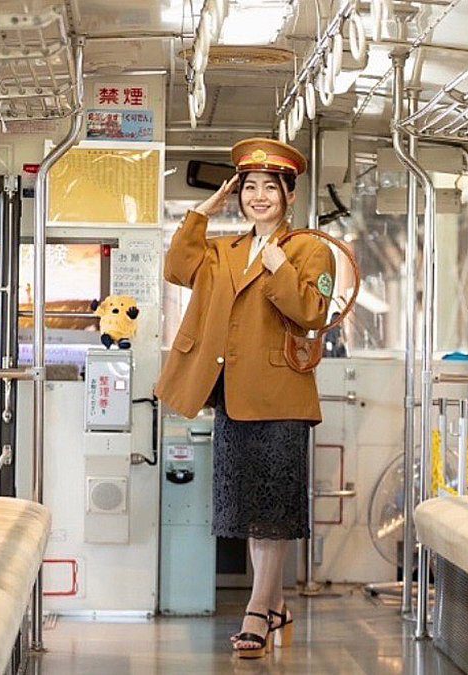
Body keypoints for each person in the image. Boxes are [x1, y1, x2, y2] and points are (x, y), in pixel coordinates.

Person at [153, 138, 336, 659]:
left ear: (289, 196)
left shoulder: (310, 249)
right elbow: (177, 268)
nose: (258, 197)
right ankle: (275, 606)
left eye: (269, 188)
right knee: (249, 511)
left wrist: (280, 267)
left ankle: (257, 613)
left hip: (281, 398)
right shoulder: (223, 249)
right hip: (232, 397)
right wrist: (202, 212)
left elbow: (313, 313)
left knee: (271, 514)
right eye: (249, 187)